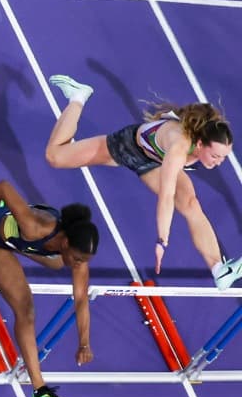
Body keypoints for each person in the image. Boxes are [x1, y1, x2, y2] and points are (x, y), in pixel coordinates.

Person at [46, 74, 241, 288]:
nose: (219, 162)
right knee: (55, 157)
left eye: (224, 157)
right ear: (201, 144)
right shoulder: (179, 148)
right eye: (215, 156)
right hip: (127, 147)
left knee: (190, 204)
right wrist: (162, 241)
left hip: (154, 163)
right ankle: (78, 97)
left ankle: (219, 269)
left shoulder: (208, 138)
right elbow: (166, 197)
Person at [0, 180, 100, 397]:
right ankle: (39, 390)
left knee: (59, 264)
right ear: (67, 242)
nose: (80, 265)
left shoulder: (75, 255)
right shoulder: (36, 226)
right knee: (26, 311)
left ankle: (2, 209)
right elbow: (3, 186)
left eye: (84, 261)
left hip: (17, 228)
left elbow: (81, 299)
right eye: (79, 259)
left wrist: (84, 343)